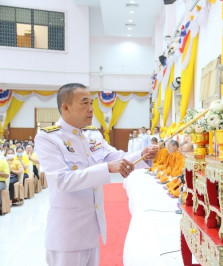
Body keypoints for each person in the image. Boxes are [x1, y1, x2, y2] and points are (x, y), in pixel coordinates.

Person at [34, 83, 158, 266]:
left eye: (91, 103)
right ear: (65, 108)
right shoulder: (48, 138)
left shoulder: (93, 135)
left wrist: (142, 155)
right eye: (84, 104)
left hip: (92, 229)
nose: (91, 109)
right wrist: (107, 168)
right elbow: (62, 180)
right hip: (67, 233)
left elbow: (116, 157)